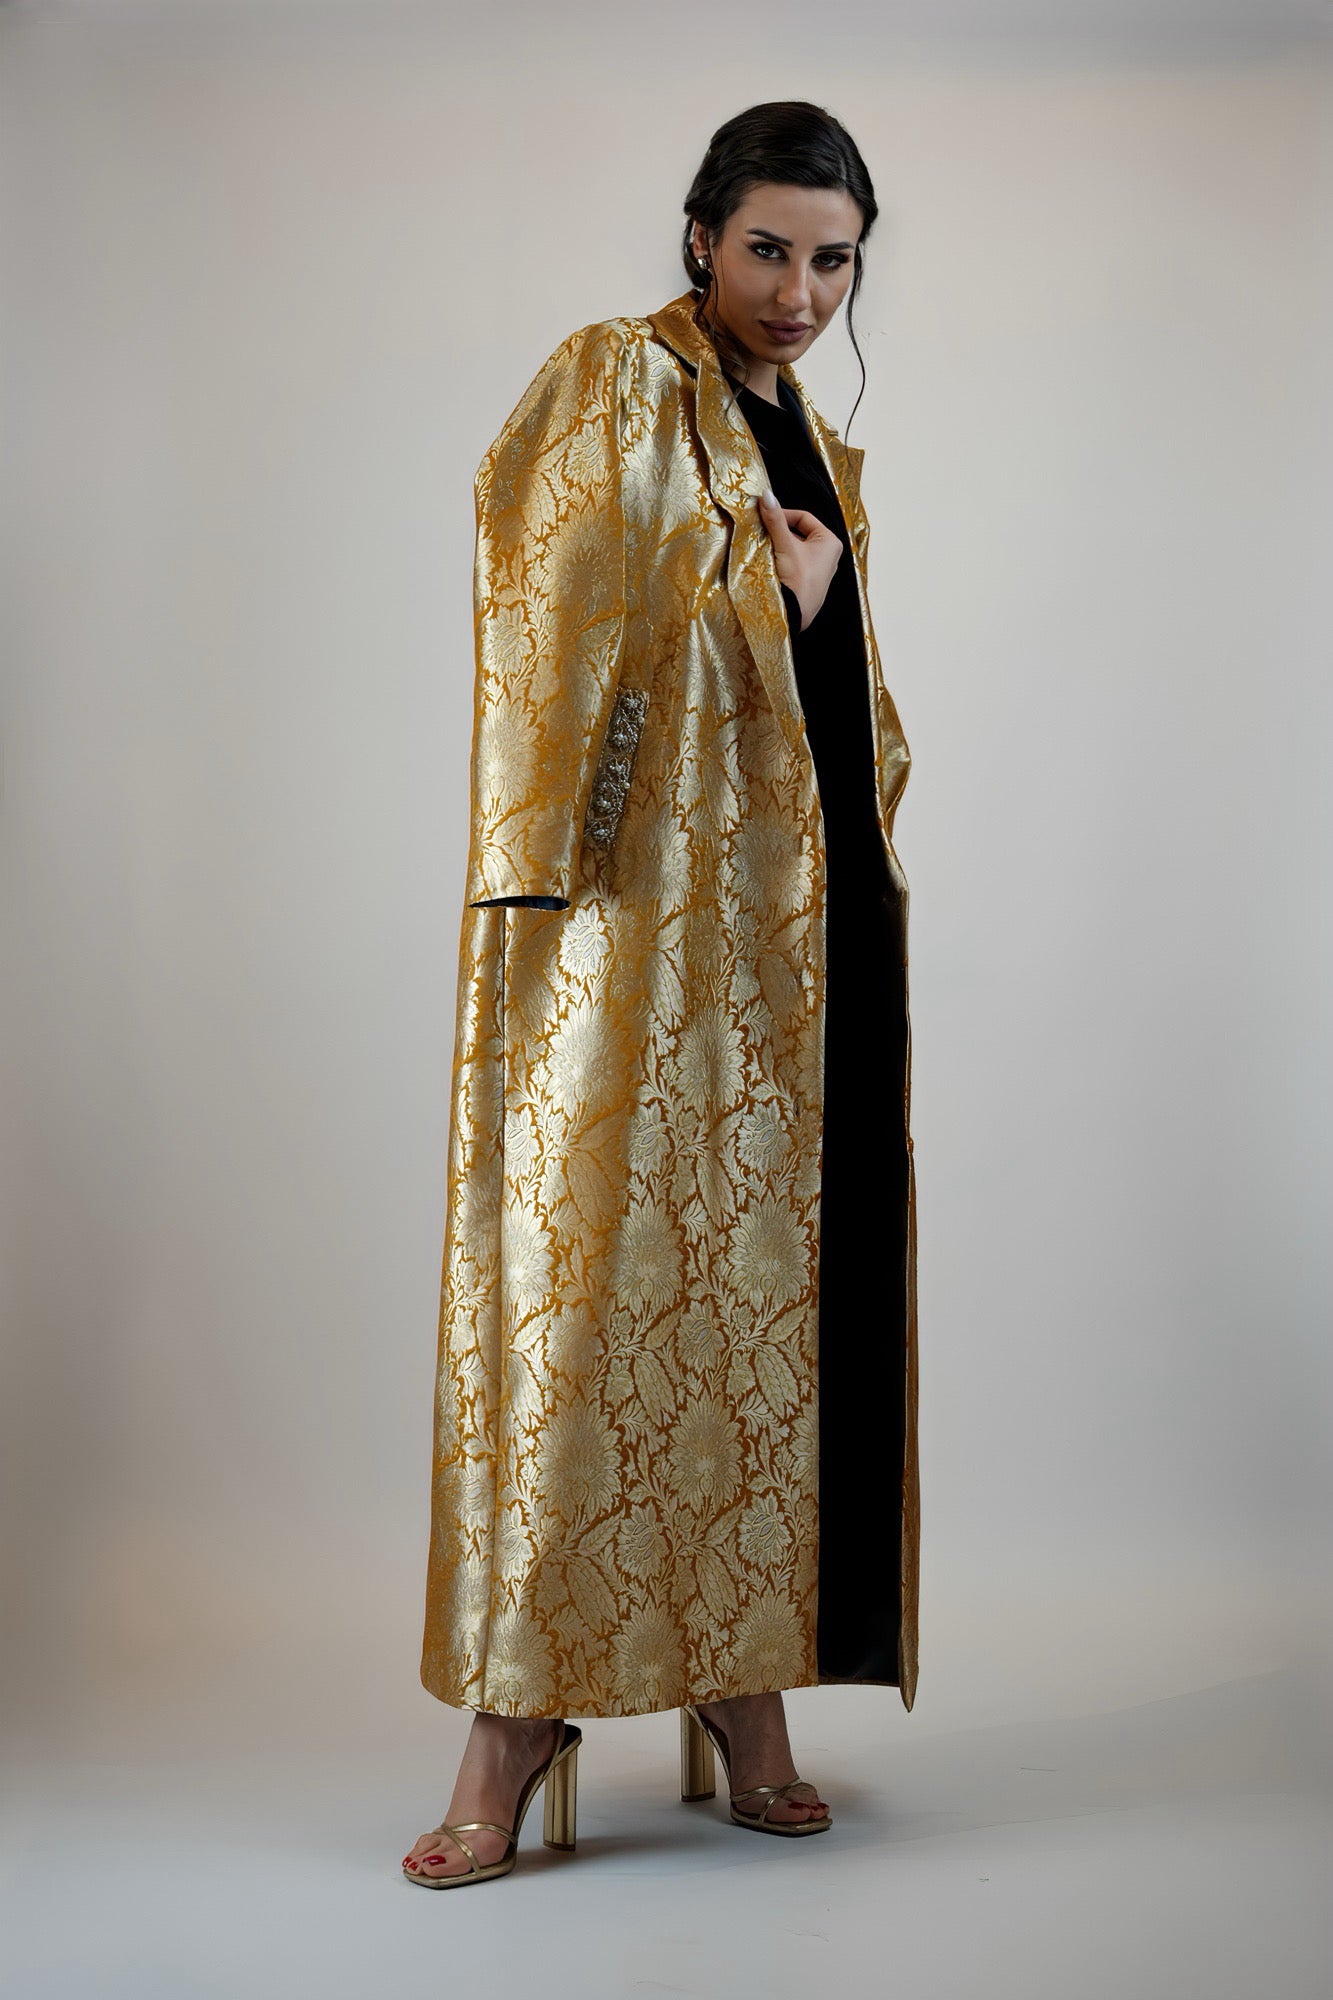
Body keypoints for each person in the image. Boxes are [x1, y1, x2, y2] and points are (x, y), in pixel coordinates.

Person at [404, 99, 918, 1889]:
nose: (798, 292)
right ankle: (519, 1712)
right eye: (767, 247)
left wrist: (817, 605)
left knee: (758, 1307)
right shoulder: (612, 380)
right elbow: (545, 608)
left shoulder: (822, 452)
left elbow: (855, 733)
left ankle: (738, 1678)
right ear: (701, 235)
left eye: (832, 259)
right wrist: (748, 598)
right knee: (585, 1303)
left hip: (781, 949)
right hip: (619, 933)